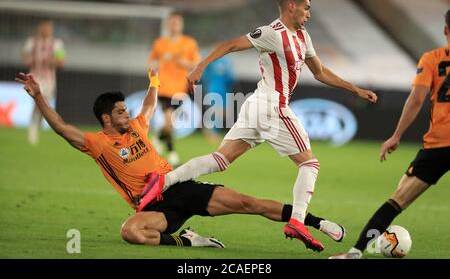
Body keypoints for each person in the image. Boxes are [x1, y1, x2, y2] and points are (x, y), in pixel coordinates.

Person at [147, 0, 378, 252]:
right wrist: (200, 66)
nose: (309, 14)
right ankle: (297, 221)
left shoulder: (303, 36)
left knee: (221, 159)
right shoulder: (272, 33)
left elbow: (320, 72)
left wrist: (355, 89)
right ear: (291, 7)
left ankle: (164, 182)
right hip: (272, 105)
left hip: (257, 105)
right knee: (310, 164)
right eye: (306, 8)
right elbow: (230, 44)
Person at [15, 70, 345, 248]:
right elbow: (59, 127)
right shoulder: (97, 144)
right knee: (130, 232)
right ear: (105, 119)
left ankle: (316, 223)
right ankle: (186, 239)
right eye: (119, 112)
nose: (127, 114)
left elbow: (147, 107)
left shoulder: (138, 126)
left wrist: (154, 83)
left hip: (181, 187)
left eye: (125, 109)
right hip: (153, 208)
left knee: (249, 203)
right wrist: (39, 95)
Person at [330, 10, 450, 259]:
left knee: (397, 200)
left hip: (440, 144)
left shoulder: (432, 59)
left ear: (446, 30)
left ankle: (354, 253)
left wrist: (396, 135)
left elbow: (417, 99)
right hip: (439, 143)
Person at [148, 11, 201, 166]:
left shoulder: (189, 43)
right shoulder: (160, 43)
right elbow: (151, 62)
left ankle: (157, 138)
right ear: (167, 25)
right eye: (171, 22)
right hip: (163, 86)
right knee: (168, 121)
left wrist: (180, 62)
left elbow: (195, 63)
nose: (174, 25)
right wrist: (155, 68)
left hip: (180, 88)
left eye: (177, 22)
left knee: (169, 122)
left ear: (181, 25)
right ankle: (172, 153)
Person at [22, 20, 65, 145]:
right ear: (40, 29)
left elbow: (61, 61)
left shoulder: (57, 44)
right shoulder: (31, 42)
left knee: (44, 104)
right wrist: (28, 61)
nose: (45, 30)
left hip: (49, 79)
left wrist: (53, 62)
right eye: (43, 28)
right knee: (38, 101)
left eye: (48, 28)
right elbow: (24, 57)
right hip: (35, 78)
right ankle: (33, 128)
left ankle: (36, 124)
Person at [200, 54, 236, 143]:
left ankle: (208, 127)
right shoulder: (211, 60)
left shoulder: (227, 60)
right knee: (216, 111)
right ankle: (213, 133)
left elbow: (230, 77)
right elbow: (204, 75)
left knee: (225, 112)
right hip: (213, 89)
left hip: (223, 89)